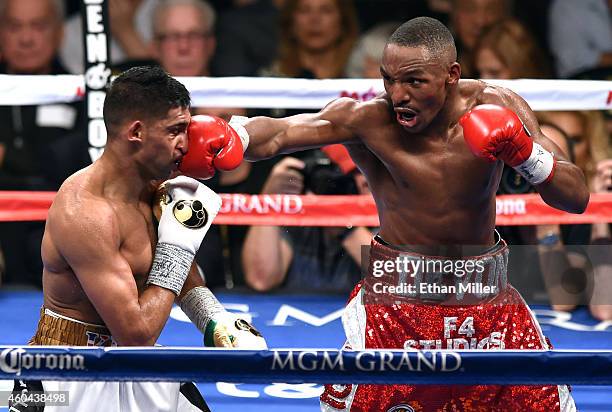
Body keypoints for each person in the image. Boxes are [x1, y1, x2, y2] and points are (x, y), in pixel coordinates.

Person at [180, 17, 588, 410]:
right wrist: (234, 134)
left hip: (487, 303)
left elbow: (576, 196)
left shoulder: (497, 105)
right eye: (388, 79)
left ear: (451, 74)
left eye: (414, 81)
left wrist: (525, 154)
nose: (398, 95)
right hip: (395, 308)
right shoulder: (370, 120)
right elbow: (285, 132)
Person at [9, 66, 266, 412]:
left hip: (135, 364)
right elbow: (137, 333)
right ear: (136, 132)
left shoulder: (152, 186)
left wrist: (213, 318)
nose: (186, 144)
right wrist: (179, 244)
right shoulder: (84, 213)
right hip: (67, 374)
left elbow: (167, 267)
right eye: (175, 130)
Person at [0, 0, 86, 288]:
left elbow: (74, 162)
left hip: (61, 224)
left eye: (37, 26)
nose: (26, 38)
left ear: (59, 32)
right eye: (15, 26)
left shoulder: (83, 91)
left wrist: (8, 158)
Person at [242, 146, 373, 293]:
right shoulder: (297, 214)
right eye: (350, 175)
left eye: (366, 171)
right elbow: (260, 280)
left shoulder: (389, 217)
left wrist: (342, 223)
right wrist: (269, 201)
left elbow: (396, 280)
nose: (362, 180)